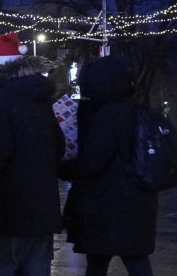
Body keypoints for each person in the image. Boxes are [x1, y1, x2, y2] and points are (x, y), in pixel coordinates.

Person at [61, 55, 158, 276]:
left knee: (97, 262)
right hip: (137, 202)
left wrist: (61, 168)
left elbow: (92, 162)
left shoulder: (106, 115)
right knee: (136, 260)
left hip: (106, 204)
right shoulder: (139, 110)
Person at [0, 56, 63, 276]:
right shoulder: (41, 100)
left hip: (6, 212)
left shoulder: (2, 99)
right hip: (41, 211)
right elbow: (58, 147)